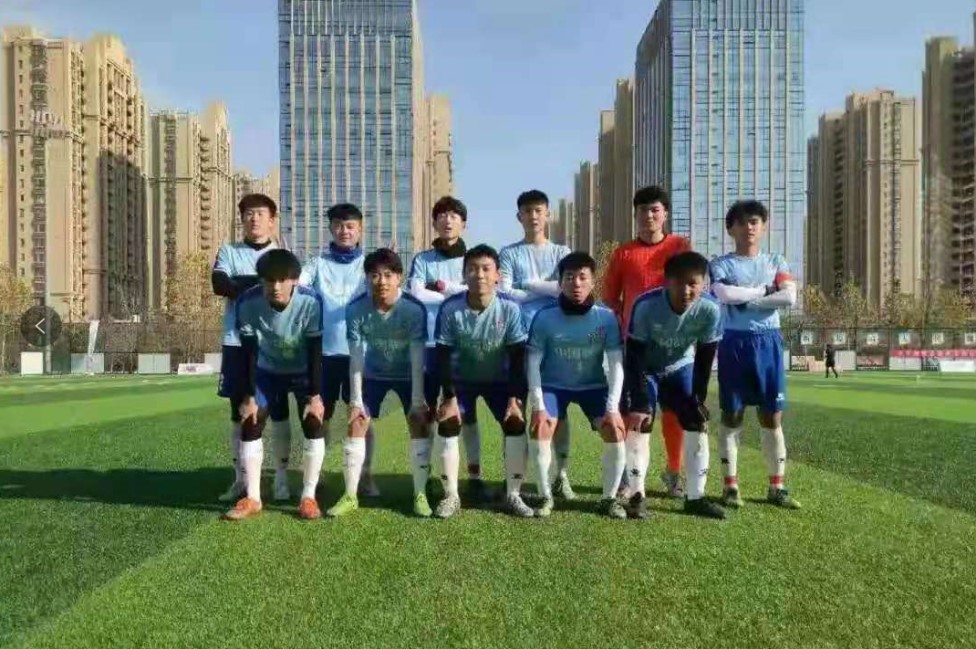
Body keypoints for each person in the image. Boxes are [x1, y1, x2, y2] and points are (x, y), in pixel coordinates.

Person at [328, 249, 433, 518]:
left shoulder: (413, 309)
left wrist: (418, 400)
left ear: (399, 277)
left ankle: (420, 492)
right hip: (374, 374)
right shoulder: (356, 309)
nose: (381, 281)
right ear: (367, 278)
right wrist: (356, 400)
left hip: (408, 375)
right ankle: (350, 495)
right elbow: (356, 357)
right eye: (374, 275)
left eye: (388, 275)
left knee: (419, 421)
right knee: (357, 421)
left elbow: (418, 357)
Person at [709, 200, 801, 510]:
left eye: (754, 221)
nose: (748, 227)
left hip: (768, 342)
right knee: (732, 414)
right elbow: (724, 294)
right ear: (730, 229)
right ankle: (730, 486)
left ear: (763, 227)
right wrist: (764, 291)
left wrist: (748, 300)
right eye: (741, 222)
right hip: (734, 342)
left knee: (771, 415)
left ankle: (777, 486)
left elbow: (789, 297)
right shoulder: (721, 264)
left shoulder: (776, 260)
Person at [222, 249, 326, 521]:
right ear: (261, 281)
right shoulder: (247, 302)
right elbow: (248, 351)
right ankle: (253, 497)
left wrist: (315, 395)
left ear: (295, 280)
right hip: (267, 372)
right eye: (269, 280)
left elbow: (315, 349)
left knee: (313, 421)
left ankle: (308, 497)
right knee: (250, 420)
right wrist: (249, 396)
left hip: (302, 372)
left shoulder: (311, 301)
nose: (275, 287)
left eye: (282, 280)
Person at [602, 185, 691, 499]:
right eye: (642, 210)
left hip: (675, 348)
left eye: (655, 210)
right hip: (636, 349)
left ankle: (674, 473)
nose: (649, 216)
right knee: (636, 415)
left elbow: (693, 287)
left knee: (675, 414)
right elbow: (610, 297)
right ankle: (630, 477)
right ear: (635, 214)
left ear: (665, 213)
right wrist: (625, 324)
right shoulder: (623, 254)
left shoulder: (680, 247)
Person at [434, 245, 535, 519]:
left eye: (485, 269)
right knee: (448, 422)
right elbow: (442, 356)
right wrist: (449, 397)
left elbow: (518, 357)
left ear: (497, 275)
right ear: (464, 274)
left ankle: (513, 493)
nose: (479, 274)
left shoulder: (510, 308)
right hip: (462, 381)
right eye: (472, 269)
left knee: (515, 422)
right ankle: (451, 495)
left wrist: (515, 398)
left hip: (499, 381)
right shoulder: (450, 309)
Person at [624, 251, 725, 520]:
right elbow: (634, 355)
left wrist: (698, 399)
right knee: (641, 421)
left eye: (693, 283)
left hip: (680, 367)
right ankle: (636, 496)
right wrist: (640, 399)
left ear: (703, 283)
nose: (686, 290)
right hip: (647, 369)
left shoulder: (711, 309)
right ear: (666, 281)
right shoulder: (646, 305)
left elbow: (705, 358)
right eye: (679, 283)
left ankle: (696, 497)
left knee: (696, 420)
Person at [526, 252, 627, 519]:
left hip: (592, 386)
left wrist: (613, 408)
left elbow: (616, 364)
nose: (577, 284)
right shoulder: (545, 317)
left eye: (583, 277)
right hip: (553, 386)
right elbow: (532, 363)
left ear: (593, 281)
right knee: (541, 425)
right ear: (560, 282)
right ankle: (546, 496)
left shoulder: (605, 318)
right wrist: (538, 406)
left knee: (615, 429)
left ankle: (609, 499)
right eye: (569, 277)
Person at [407, 196, 488, 501]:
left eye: (454, 216)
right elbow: (416, 293)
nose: (447, 220)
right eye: (441, 215)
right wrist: (458, 293)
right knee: (427, 412)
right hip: (430, 343)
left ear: (463, 223)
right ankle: (425, 476)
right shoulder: (422, 260)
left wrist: (441, 287)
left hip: (466, 346)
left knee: (467, 413)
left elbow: (479, 292)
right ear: (434, 222)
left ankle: (475, 476)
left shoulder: (473, 260)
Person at [299, 202, 380, 497]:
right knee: (322, 414)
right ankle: (316, 473)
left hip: (361, 353)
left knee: (361, 416)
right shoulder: (317, 264)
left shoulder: (370, 265)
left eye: (350, 226)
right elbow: (298, 286)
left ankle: (365, 475)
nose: (344, 231)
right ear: (331, 229)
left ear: (360, 229)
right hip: (325, 354)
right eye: (338, 225)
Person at [499, 189, 575, 500]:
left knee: (558, 409)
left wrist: (527, 285)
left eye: (538, 210)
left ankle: (562, 474)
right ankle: (515, 480)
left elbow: (565, 289)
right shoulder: (508, 253)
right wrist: (545, 289)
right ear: (519, 216)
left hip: (556, 338)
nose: (533, 216)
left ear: (548, 214)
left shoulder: (562, 252)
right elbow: (504, 292)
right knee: (516, 406)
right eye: (527, 211)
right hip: (519, 338)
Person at [211, 193, 279, 503]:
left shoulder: (280, 254)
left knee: (274, 411)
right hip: (236, 342)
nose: (254, 218)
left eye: (260, 213)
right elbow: (220, 284)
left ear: (272, 220)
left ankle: (279, 479)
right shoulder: (228, 251)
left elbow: (285, 291)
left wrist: (242, 285)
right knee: (238, 410)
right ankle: (241, 480)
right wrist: (261, 284)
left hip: (272, 343)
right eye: (249, 213)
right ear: (242, 219)